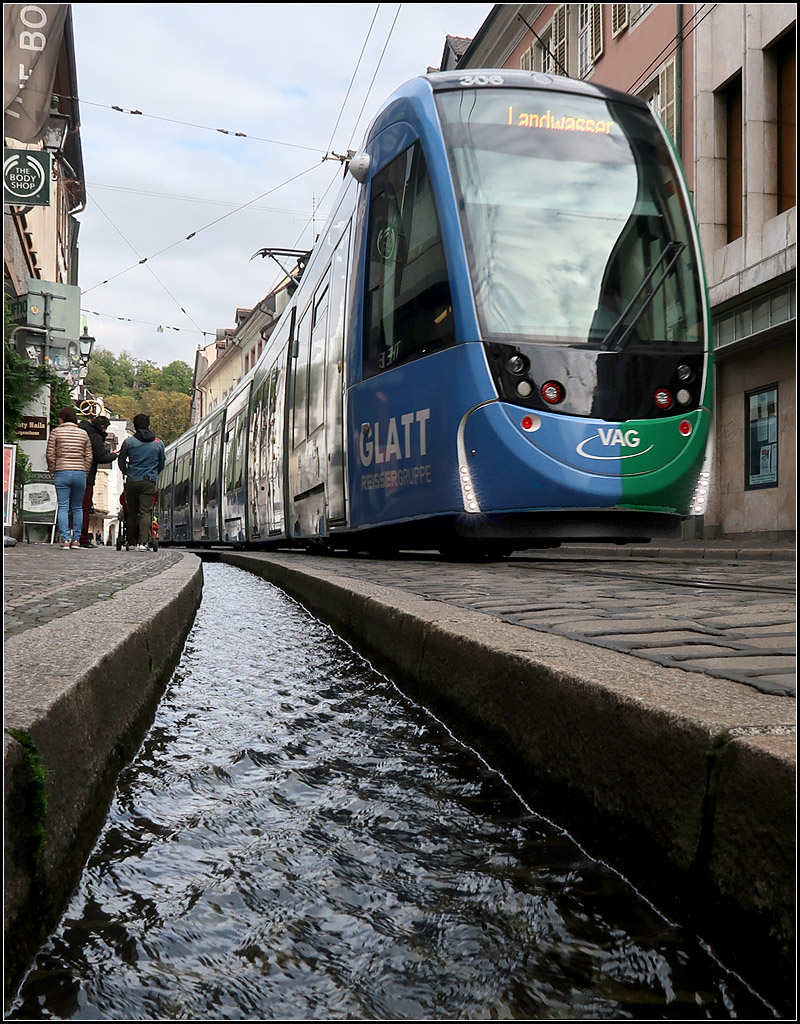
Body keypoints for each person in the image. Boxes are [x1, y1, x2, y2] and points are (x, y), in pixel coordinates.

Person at [46, 406, 93, 550]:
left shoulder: (56, 432)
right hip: (79, 473)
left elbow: (50, 454)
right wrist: (84, 471)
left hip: (62, 471)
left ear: (62, 418)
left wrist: (53, 470)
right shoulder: (83, 434)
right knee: (78, 507)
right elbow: (89, 456)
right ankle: (77, 540)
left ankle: (65, 539)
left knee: (63, 506)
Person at [117, 413, 166, 551]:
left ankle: (131, 542)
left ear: (135, 426)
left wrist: (127, 472)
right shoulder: (158, 443)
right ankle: (143, 542)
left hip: (132, 481)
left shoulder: (129, 442)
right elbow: (162, 463)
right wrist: (153, 473)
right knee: (146, 512)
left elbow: (121, 460)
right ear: (149, 426)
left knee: (132, 512)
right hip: (148, 481)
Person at [78, 415, 117, 547]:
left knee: (67, 506)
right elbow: (100, 456)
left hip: (66, 471)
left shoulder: (80, 429)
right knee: (84, 507)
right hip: (86, 475)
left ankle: (66, 537)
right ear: (102, 427)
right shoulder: (94, 435)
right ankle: (81, 538)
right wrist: (114, 455)